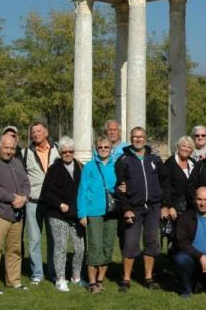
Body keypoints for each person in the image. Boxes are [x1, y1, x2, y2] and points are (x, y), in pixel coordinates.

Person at [114, 126, 171, 292]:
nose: (138, 140)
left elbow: (165, 182)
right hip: (134, 208)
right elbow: (119, 187)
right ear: (130, 139)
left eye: (140, 137)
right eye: (134, 137)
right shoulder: (123, 159)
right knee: (130, 243)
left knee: (151, 242)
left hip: (153, 207)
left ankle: (148, 277)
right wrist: (126, 209)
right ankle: (125, 279)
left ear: (145, 138)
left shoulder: (155, 159)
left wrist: (165, 205)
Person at [0, 133, 30, 294]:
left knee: (15, 249)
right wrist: (12, 198)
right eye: (6, 148)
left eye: (12, 148)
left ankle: (14, 280)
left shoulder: (17, 163)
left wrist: (23, 198)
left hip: (17, 213)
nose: (9, 151)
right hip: (0, 211)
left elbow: (25, 183)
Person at [40, 136, 85, 292]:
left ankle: (76, 277)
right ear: (60, 153)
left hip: (76, 215)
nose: (67, 154)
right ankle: (60, 279)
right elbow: (46, 192)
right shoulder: (54, 169)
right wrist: (60, 204)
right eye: (64, 151)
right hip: (58, 214)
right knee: (60, 247)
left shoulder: (80, 167)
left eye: (70, 151)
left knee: (80, 248)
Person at [77, 136, 118, 294]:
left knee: (108, 246)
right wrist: (82, 213)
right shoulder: (89, 167)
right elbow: (83, 190)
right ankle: (92, 282)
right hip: (94, 212)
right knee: (95, 246)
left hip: (112, 212)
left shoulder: (116, 166)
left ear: (110, 149)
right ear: (96, 149)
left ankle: (101, 278)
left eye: (106, 147)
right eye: (100, 147)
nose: (103, 150)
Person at [22, 121, 59, 284]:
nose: (35, 134)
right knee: (34, 239)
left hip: (53, 203)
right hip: (33, 202)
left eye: (38, 131)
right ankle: (37, 273)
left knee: (54, 239)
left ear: (46, 133)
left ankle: (53, 272)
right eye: (33, 132)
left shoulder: (58, 150)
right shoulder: (25, 153)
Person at [163, 136, 196, 252]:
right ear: (178, 146)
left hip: (190, 207)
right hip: (175, 208)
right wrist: (169, 206)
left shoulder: (193, 163)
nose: (186, 149)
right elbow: (165, 186)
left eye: (189, 147)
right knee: (175, 237)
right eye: (184, 146)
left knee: (189, 236)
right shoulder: (169, 163)